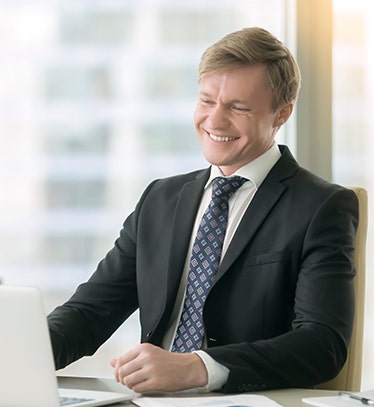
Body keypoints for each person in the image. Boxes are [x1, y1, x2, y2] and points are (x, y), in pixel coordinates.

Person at [47, 27, 359, 394]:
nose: (214, 121)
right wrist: (15, 352)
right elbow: (89, 314)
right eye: (207, 101)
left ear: (282, 113)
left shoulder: (321, 207)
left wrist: (199, 368)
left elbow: (322, 344)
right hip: (149, 401)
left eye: (238, 107)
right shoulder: (160, 199)